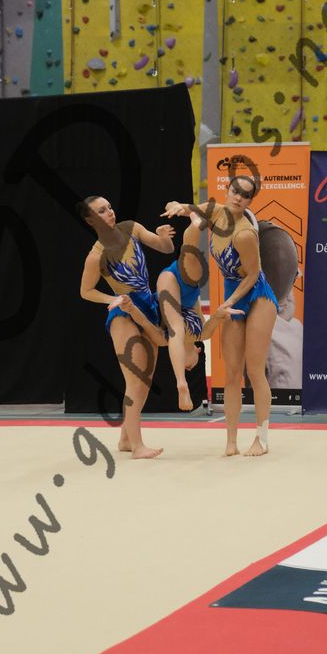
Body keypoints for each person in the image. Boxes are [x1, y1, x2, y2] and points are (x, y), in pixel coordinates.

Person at [164, 171, 279, 456]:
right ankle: (231, 441)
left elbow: (253, 275)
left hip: (256, 294)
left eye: (246, 195)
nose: (239, 197)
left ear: (250, 200)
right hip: (232, 293)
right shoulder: (215, 211)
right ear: (227, 190)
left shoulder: (244, 234)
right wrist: (176, 206)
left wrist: (229, 302)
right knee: (231, 373)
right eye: (235, 191)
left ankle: (262, 438)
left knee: (254, 370)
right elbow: (188, 208)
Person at [78, 196, 175, 458]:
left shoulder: (131, 228)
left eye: (109, 207)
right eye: (101, 211)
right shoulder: (96, 256)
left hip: (148, 307)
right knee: (135, 380)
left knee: (146, 381)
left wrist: (163, 236)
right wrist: (113, 300)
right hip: (124, 312)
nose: (109, 212)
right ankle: (137, 446)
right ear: (90, 220)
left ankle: (125, 438)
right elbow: (86, 291)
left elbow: (165, 248)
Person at [155, 220, 240, 411]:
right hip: (187, 291)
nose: (190, 366)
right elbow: (208, 312)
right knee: (191, 257)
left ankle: (181, 382)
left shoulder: (164, 340)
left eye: (187, 369)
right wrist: (223, 313)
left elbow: (147, 322)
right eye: (191, 368)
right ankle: (196, 223)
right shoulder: (202, 334)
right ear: (198, 351)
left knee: (176, 328)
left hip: (168, 285)